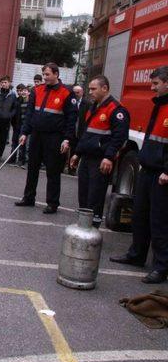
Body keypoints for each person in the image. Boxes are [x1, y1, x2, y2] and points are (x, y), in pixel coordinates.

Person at [110, 66, 168, 284]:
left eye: (155, 84)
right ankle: (136, 255)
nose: (152, 88)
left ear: (167, 83)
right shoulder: (159, 105)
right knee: (140, 215)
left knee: (159, 220)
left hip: (162, 175)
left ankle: (161, 267)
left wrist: (166, 170)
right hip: (148, 169)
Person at [16, 63, 78, 214]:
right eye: (44, 74)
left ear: (56, 74)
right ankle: (28, 197)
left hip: (55, 137)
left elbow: (72, 118)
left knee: (53, 170)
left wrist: (67, 139)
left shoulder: (66, 93)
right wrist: (24, 132)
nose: (45, 77)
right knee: (32, 167)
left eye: (48, 74)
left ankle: (52, 203)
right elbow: (30, 114)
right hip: (37, 134)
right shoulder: (37, 90)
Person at [69, 75, 129, 228]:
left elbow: (119, 137)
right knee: (84, 194)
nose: (90, 92)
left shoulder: (116, 110)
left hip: (100, 160)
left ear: (105, 88)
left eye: (93, 89)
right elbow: (86, 134)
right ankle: (83, 226)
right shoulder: (94, 107)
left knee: (95, 197)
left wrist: (109, 157)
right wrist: (77, 153)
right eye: (89, 89)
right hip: (87, 158)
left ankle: (92, 229)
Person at [0, 76, 18, 162]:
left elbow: (15, 108)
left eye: (5, 82)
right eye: (2, 83)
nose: (4, 84)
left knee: (2, 139)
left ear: (9, 83)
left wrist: (9, 115)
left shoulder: (12, 95)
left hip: (5, 120)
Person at [67, 84, 91, 175]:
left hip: (81, 131)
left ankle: (77, 168)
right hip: (72, 131)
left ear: (82, 93)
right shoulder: (70, 102)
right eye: (74, 92)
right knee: (71, 150)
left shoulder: (87, 104)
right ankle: (70, 168)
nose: (76, 94)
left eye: (78, 92)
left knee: (79, 150)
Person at [9, 84, 30, 167]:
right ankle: (13, 158)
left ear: (28, 93)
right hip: (17, 125)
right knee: (14, 142)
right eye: (21, 91)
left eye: (24, 91)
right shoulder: (18, 101)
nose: (22, 92)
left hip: (24, 126)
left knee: (22, 144)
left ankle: (22, 160)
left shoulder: (30, 102)